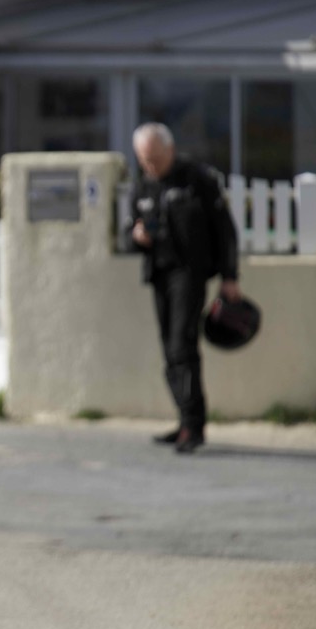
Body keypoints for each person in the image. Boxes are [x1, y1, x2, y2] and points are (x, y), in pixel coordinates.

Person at [130, 122, 239, 454]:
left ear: (171, 150)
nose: (151, 166)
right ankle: (184, 420)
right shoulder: (143, 186)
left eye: (155, 158)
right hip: (159, 274)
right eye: (145, 160)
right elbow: (130, 231)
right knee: (169, 350)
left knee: (182, 346)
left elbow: (224, 229)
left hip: (189, 274)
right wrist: (137, 236)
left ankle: (193, 426)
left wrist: (230, 276)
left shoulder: (197, 179)